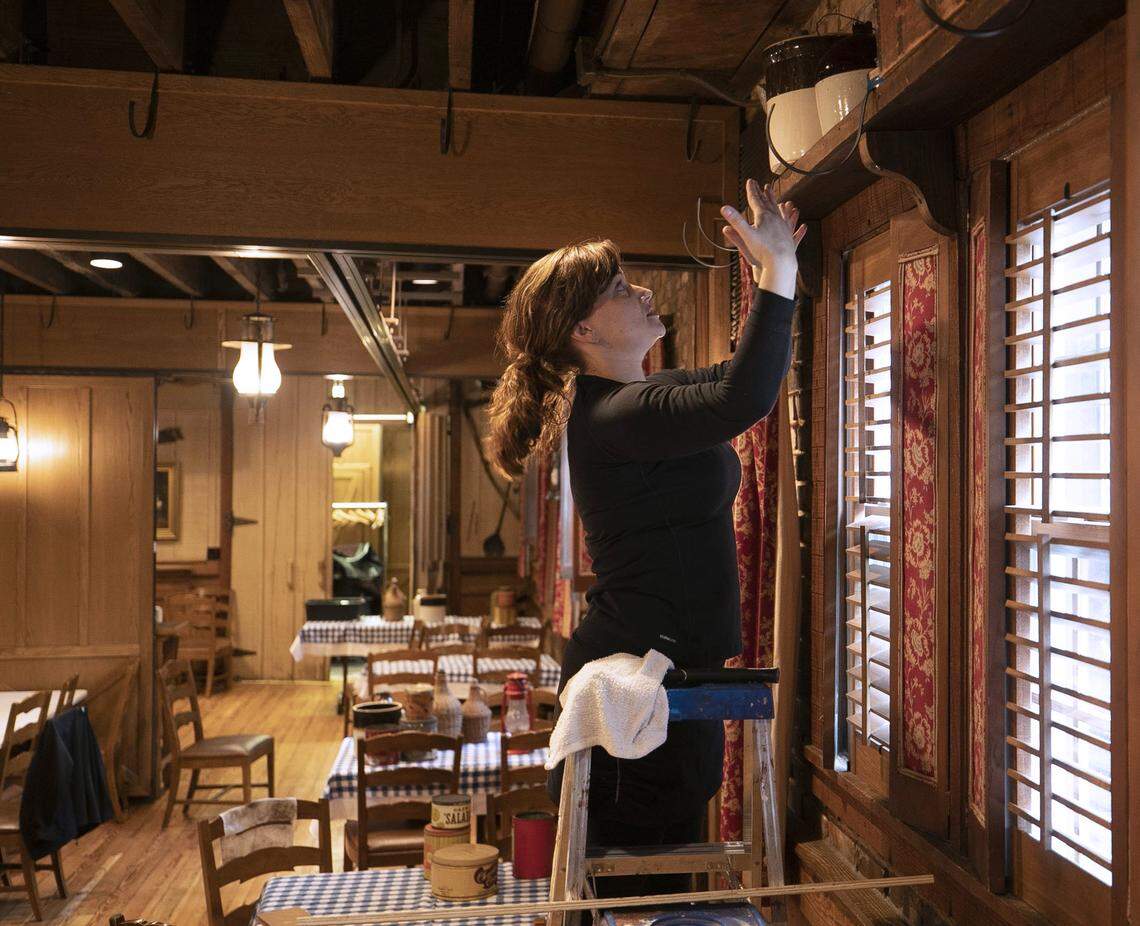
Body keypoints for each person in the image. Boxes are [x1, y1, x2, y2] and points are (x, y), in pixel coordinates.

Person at [486, 179, 805, 896]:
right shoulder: (614, 415)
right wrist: (775, 275)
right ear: (585, 332)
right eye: (621, 289)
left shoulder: (637, 406)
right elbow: (741, 395)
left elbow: (739, 379)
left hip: (675, 680)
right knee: (632, 904)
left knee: (672, 896)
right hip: (637, 690)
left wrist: (778, 277)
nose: (642, 295)